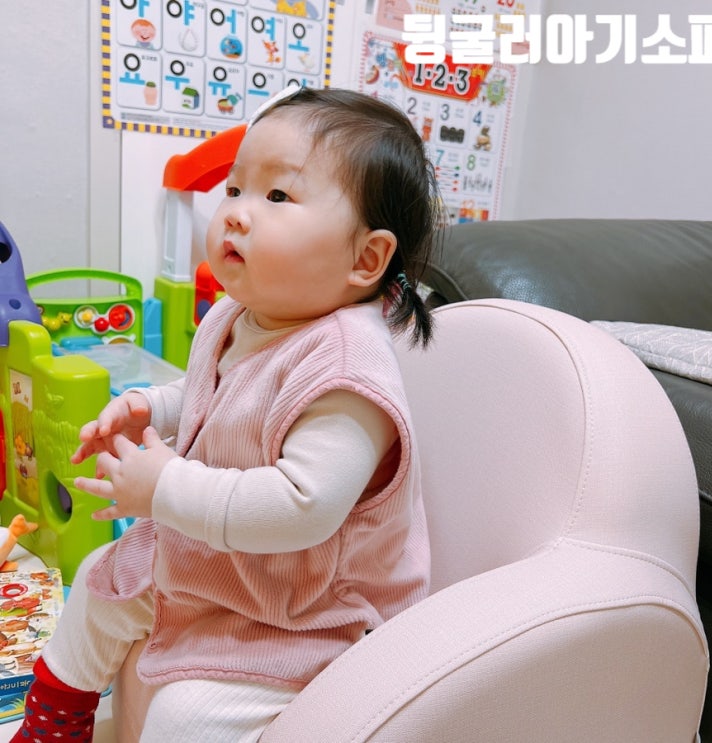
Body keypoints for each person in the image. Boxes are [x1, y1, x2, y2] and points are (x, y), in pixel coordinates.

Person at [11, 85, 443, 743]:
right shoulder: (239, 314)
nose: (237, 212)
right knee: (102, 582)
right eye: (235, 188)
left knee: (185, 717)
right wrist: (150, 408)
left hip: (311, 610)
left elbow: (302, 506)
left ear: (365, 259)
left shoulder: (348, 370)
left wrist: (165, 488)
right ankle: (53, 725)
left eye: (277, 196)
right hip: (234, 565)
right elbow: (212, 392)